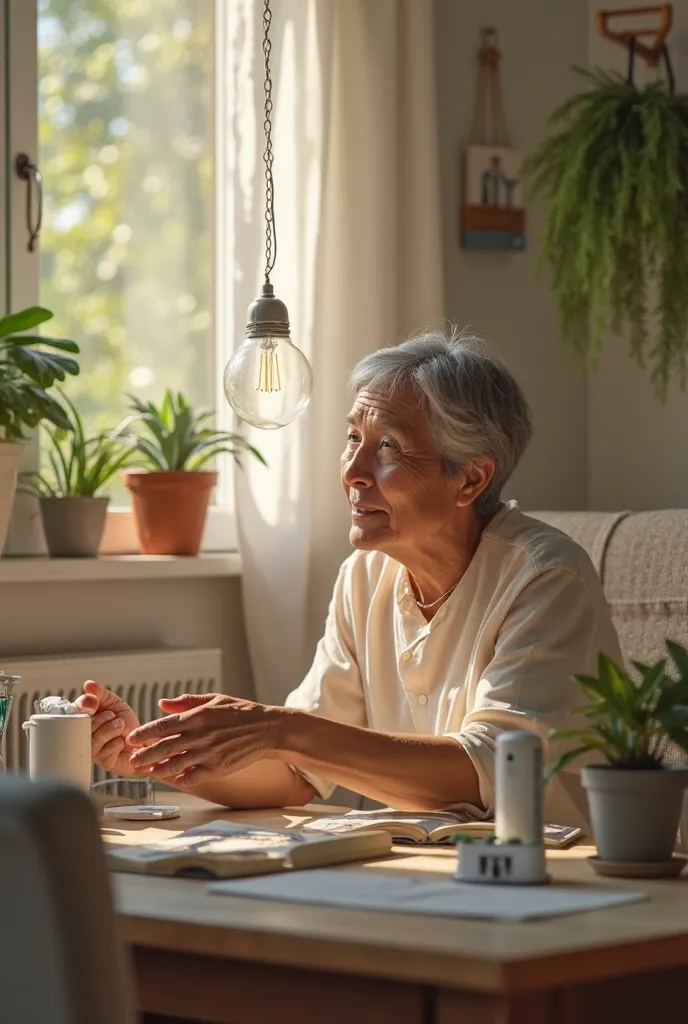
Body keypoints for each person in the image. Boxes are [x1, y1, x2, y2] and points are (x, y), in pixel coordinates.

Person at [78, 329, 622, 828]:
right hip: (429, 873)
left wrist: (280, 729)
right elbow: (295, 774)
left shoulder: (545, 578)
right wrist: (152, 752)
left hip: (560, 879)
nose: (352, 471)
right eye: (352, 439)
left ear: (470, 478)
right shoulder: (365, 575)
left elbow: (493, 773)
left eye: (386, 446)